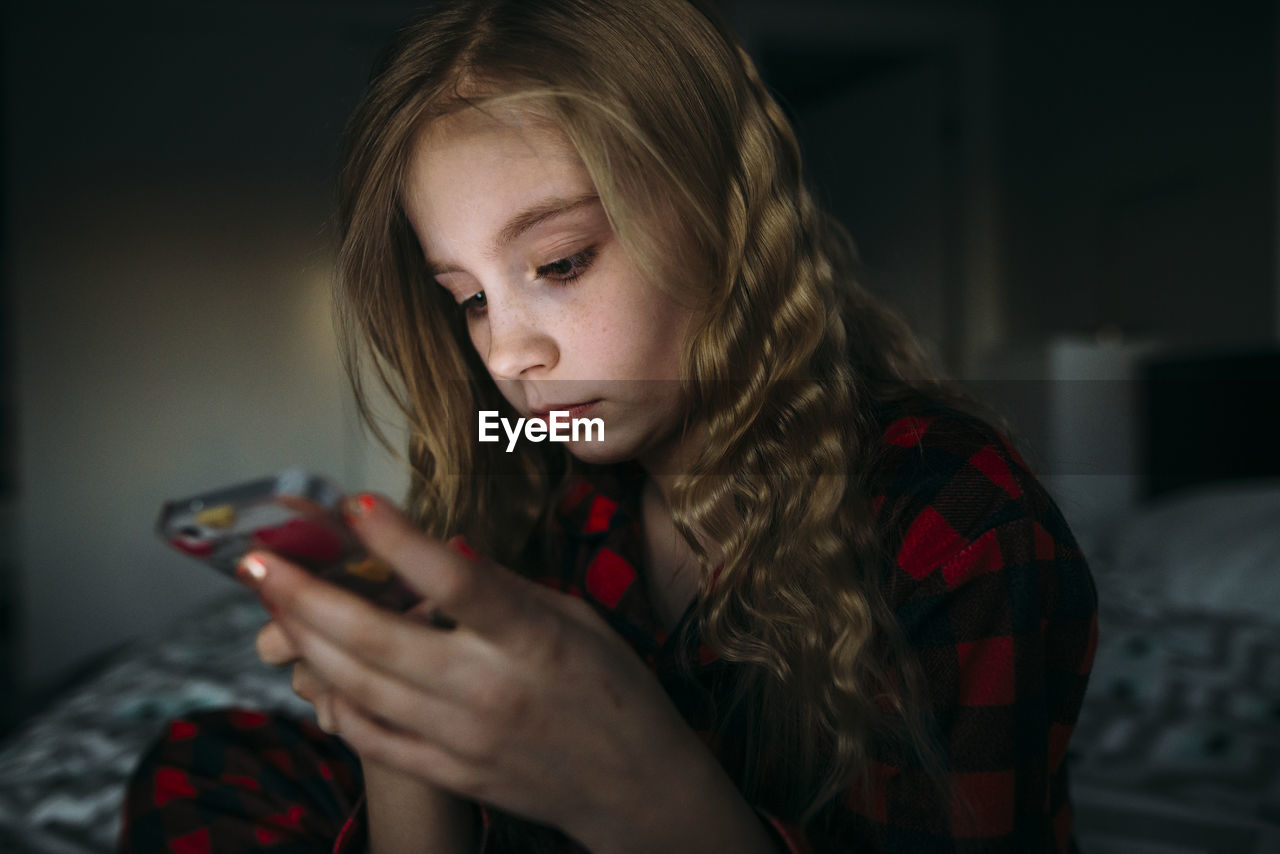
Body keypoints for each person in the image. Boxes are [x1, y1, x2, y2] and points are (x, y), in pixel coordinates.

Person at [119, 0, 1099, 851]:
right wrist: (401, 737)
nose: (505, 356)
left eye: (557, 263)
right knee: (200, 762)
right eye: (464, 298)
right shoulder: (544, 470)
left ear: (727, 216)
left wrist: (640, 782)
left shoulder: (954, 518)